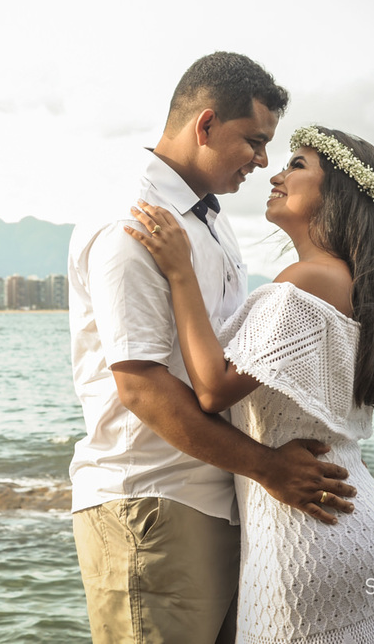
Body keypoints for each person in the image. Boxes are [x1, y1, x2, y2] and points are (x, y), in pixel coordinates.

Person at [68, 53, 357, 644]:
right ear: (205, 126)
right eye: (254, 141)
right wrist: (268, 467)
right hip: (154, 500)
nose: (263, 160)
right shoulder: (135, 221)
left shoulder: (211, 222)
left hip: (226, 499)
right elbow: (141, 385)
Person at [125, 124, 374, 642]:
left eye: (297, 165)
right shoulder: (352, 284)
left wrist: (181, 272)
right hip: (352, 515)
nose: (275, 173)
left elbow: (212, 389)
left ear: (336, 193)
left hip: (307, 530)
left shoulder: (307, 281)